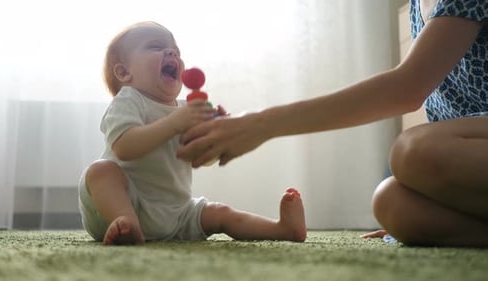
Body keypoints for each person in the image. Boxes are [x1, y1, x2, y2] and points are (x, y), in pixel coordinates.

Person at [177, 0, 488, 247]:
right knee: (391, 203)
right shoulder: (421, 10)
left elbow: (407, 89)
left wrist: (262, 124)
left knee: (412, 150)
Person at [78, 21, 307, 245]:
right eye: (156, 47)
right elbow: (124, 147)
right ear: (124, 72)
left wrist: (215, 136)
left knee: (221, 213)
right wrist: (174, 123)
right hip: (125, 203)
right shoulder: (129, 99)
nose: (172, 53)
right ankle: (125, 223)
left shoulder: (187, 109)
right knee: (101, 171)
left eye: (176, 51)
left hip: (176, 212)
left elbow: (203, 159)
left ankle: (283, 229)